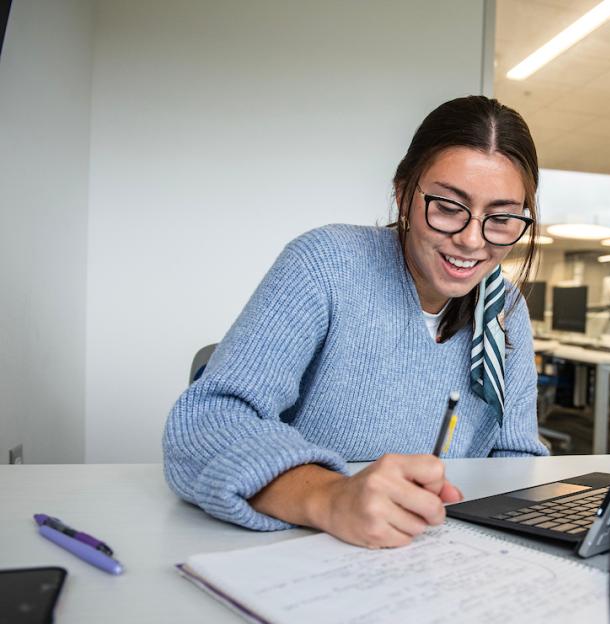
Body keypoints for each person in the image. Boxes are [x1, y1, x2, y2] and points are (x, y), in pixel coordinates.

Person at [163, 95, 548, 549]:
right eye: (447, 206)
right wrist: (332, 496)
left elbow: (516, 458)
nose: (469, 241)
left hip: (437, 553)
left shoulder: (504, 310)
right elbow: (206, 423)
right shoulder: (327, 264)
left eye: (501, 218)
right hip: (307, 547)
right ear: (404, 193)